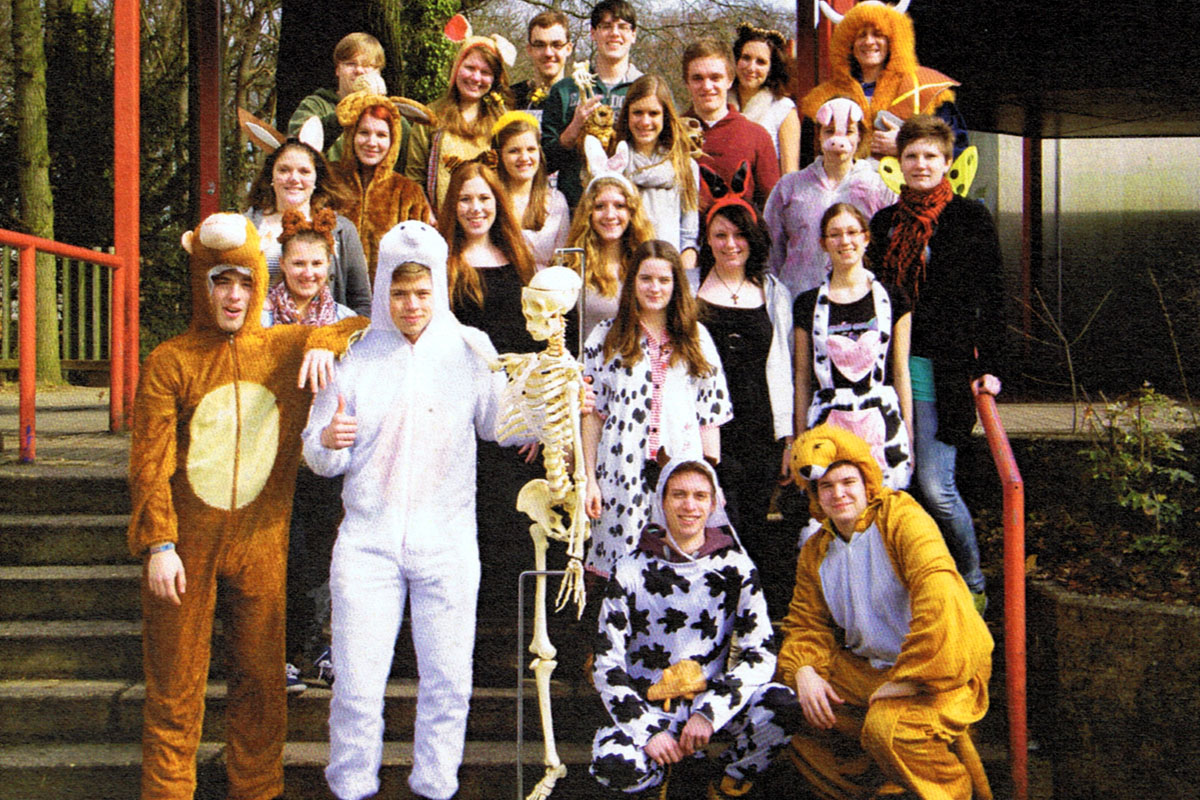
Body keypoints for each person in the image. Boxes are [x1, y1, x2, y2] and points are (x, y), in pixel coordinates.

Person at [129, 212, 364, 800]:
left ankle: (257, 790)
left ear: (261, 284)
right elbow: (150, 463)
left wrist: (321, 339)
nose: (234, 296)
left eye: (244, 282)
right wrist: (159, 543)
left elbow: (361, 323)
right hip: (186, 543)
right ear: (202, 285)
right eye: (221, 282)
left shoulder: (281, 348)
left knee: (261, 683)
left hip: (261, 539)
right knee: (175, 684)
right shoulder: (171, 361)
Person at [302, 220, 530, 800]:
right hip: (366, 545)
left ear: (439, 289)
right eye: (400, 292)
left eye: (423, 292)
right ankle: (351, 786)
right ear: (382, 287)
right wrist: (328, 441)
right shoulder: (352, 354)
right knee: (356, 686)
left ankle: (435, 786)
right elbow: (318, 454)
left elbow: (502, 425)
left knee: (448, 683)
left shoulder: (470, 350)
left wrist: (557, 401)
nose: (411, 305)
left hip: (448, 543)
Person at [778, 424, 993, 800]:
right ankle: (868, 789)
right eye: (826, 486)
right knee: (786, 706)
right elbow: (806, 623)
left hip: (937, 671)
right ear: (815, 495)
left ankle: (950, 791)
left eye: (848, 482)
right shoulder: (816, 549)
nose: (838, 494)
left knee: (888, 730)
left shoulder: (901, 517)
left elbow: (938, 594)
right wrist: (804, 670)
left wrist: (912, 678)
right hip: (869, 671)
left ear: (866, 483)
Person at [590, 458, 801, 799]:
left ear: (714, 504)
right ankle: (658, 781)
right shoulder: (629, 570)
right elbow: (606, 663)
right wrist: (646, 731)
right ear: (662, 500)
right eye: (679, 495)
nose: (690, 505)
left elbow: (760, 654)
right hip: (648, 704)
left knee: (781, 705)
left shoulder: (736, 567)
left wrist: (710, 712)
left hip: (710, 703)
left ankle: (726, 782)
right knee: (614, 764)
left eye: (700, 496)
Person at [865, 115, 1003, 606]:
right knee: (896, 486)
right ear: (898, 163)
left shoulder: (969, 218)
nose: (920, 164)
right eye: (911, 156)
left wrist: (991, 365)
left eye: (930, 156)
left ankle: (972, 582)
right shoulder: (884, 224)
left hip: (944, 369)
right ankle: (913, 587)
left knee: (935, 485)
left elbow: (993, 295)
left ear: (947, 162)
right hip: (890, 367)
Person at [582, 240, 731, 580]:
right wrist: (589, 479)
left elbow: (710, 415)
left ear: (677, 285)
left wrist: (710, 480)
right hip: (620, 472)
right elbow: (592, 415)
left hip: (680, 469)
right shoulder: (605, 337)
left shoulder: (697, 338)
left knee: (678, 566)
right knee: (623, 569)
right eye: (646, 279)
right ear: (632, 282)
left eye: (664, 280)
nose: (655, 288)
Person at [261, 209, 357, 693]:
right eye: (298, 264)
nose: (308, 273)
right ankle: (278, 652)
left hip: (323, 447)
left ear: (330, 265)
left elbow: (362, 333)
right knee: (283, 551)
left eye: (317, 264)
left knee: (322, 552)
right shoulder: (261, 315)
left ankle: (317, 646)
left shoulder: (341, 320)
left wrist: (327, 338)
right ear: (282, 264)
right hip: (272, 447)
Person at [693, 198, 793, 611]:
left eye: (739, 235)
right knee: (715, 522)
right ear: (707, 240)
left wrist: (788, 438)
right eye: (720, 235)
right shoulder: (690, 288)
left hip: (760, 429)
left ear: (753, 240)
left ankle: (749, 615)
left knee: (752, 524)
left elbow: (786, 365)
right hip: (708, 430)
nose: (730, 244)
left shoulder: (774, 293)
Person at [794, 202, 912, 492]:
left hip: (881, 420)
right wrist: (800, 440)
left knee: (883, 499)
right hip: (828, 422)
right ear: (823, 243)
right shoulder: (807, 304)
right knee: (835, 498)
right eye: (834, 234)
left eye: (852, 232)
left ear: (866, 238)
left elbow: (900, 371)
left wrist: (908, 433)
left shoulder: (893, 298)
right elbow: (802, 377)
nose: (844, 241)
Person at [764, 96, 897, 299]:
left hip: (857, 300)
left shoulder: (878, 187)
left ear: (860, 136)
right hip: (797, 298)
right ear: (818, 135)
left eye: (849, 132)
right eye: (829, 131)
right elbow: (771, 249)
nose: (838, 140)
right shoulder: (790, 186)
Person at [800, 0, 967, 159]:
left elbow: (955, 147)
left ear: (892, 39)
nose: (869, 42)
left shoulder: (925, 86)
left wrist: (907, 146)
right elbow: (808, 157)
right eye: (861, 35)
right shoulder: (824, 97)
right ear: (849, 43)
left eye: (878, 34)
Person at [244, 138, 372, 316]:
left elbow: (361, 301)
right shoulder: (246, 227)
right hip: (259, 329)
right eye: (284, 170)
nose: (294, 178)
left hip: (325, 331)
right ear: (271, 175)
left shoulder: (341, 230)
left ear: (316, 178)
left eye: (304, 171)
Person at [541, 0, 644, 208]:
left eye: (623, 27)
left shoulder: (647, 89)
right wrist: (572, 131)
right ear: (593, 33)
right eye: (606, 26)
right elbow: (544, 162)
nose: (614, 33)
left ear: (633, 34)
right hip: (576, 206)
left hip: (630, 208)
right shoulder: (565, 90)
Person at [329, 78, 432, 283]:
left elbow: (420, 258)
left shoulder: (408, 193)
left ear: (393, 140)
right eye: (364, 133)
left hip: (387, 295)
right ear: (351, 135)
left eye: (381, 135)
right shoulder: (330, 181)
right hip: (333, 294)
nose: (372, 142)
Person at [406, 29, 514, 210]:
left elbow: (511, 177)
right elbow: (414, 179)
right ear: (456, 68)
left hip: (485, 219)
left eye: (485, 72)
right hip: (438, 220)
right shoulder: (429, 117)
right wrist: (426, 214)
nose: (476, 77)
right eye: (470, 68)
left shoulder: (502, 121)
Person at [437, 160, 536, 353]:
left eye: (484, 198)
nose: (475, 208)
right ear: (453, 204)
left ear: (497, 201)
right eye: (465, 199)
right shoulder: (441, 261)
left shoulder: (518, 255)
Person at [613, 74, 701, 274]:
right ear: (627, 114)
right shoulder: (614, 161)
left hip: (668, 271)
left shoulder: (684, 166)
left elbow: (689, 237)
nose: (645, 122)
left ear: (665, 116)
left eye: (653, 113)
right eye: (637, 113)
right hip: (623, 269)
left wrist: (681, 274)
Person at [682, 37, 780, 214]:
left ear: (730, 80)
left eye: (715, 78)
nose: (707, 86)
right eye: (697, 78)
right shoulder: (672, 132)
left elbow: (772, 208)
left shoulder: (756, 136)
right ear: (686, 83)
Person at [288, 32, 410, 166]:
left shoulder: (394, 117)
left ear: (378, 72)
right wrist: (342, 116)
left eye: (367, 65)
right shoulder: (316, 106)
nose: (359, 70)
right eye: (351, 64)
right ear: (337, 69)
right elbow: (297, 146)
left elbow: (410, 164)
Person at [565, 171, 656, 343]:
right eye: (600, 207)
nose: (610, 215)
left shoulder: (649, 263)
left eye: (619, 206)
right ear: (588, 213)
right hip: (588, 359)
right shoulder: (572, 265)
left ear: (632, 212)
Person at [491, 111, 570, 270]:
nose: (524, 158)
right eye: (514, 151)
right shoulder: (490, 200)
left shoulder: (556, 202)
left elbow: (562, 262)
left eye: (531, 149)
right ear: (500, 155)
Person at [730, 23, 800, 175]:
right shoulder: (720, 104)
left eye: (760, 62)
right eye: (746, 58)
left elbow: (790, 175)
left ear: (771, 68)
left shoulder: (783, 109)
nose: (751, 67)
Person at [511, 10, 574, 113]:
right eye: (540, 45)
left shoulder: (581, 98)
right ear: (529, 49)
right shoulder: (510, 98)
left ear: (568, 49)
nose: (548, 53)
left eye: (556, 45)